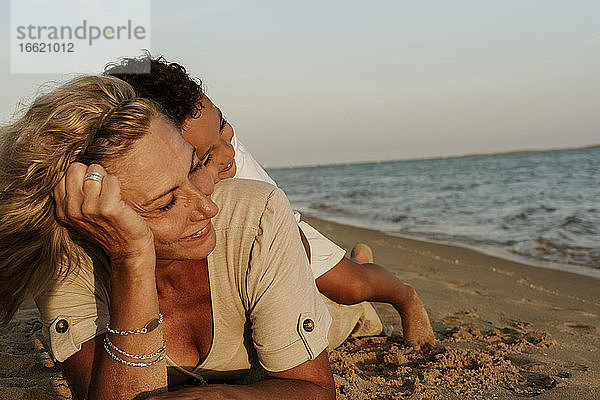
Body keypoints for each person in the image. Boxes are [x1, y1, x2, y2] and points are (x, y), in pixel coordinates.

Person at [0, 75, 339, 399]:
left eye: (194, 167)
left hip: (330, 309)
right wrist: (131, 260)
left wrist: (218, 396)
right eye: (166, 204)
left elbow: (314, 389)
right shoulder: (68, 261)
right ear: (91, 214)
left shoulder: (258, 215)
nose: (207, 206)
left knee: (353, 294)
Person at [105, 55, 436, 349]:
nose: (229, 151)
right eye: (204, 157)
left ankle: (404, 297)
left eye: (223, 125)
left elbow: (295, 245)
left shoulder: (242, 178)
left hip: (280, 232)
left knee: (351, 285)